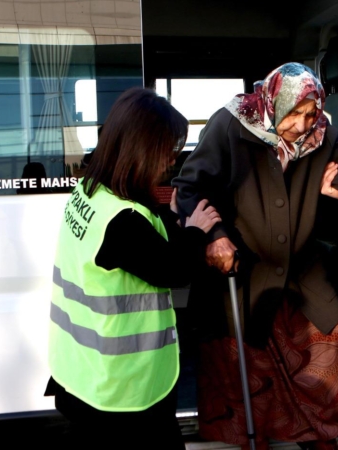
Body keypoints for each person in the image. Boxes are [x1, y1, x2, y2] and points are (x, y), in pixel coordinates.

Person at [172, 62, 338, 450]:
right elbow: (189, 188)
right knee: (255, 416)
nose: (303, 125)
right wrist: (214, 237)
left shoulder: (323, 134)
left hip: (301, 283)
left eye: (311, 113)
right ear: (273, 103)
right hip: (244, 284)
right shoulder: (231, 125)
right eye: (295, 113)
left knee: (324, 404)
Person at [45, 87, 221, 447]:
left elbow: (140, 244)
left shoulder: (91, 192)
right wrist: (196, 232)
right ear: (140, 149)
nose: (170, 162)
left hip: (81, 375)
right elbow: (171, 271)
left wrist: (170, 218)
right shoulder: (121, 222)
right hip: (123, 394)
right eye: (166, 151)